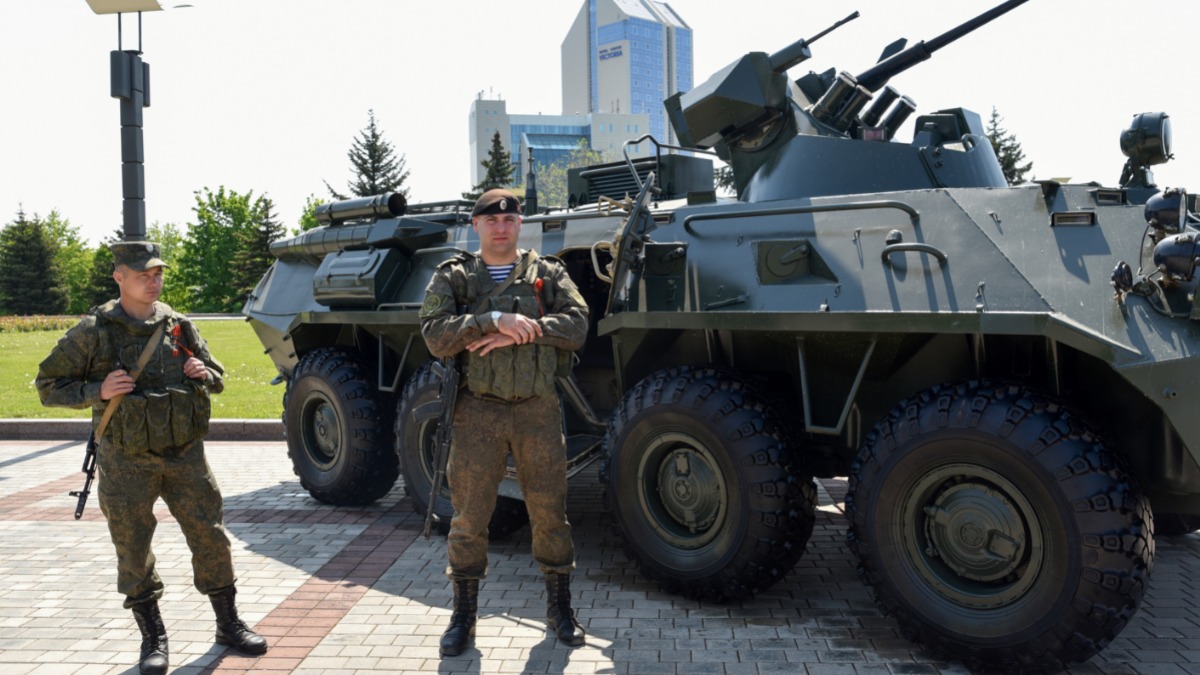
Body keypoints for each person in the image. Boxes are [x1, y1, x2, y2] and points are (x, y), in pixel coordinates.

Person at [35, 241, 267, 675]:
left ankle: (229, 624)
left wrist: (205, 373)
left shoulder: (178, 326)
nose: (153, 280)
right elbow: (47, 386)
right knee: (133, 547)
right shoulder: (94, 331)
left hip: (185, 457)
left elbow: (216, 376)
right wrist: (96, 391)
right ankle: (153, 638)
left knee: (211, 536)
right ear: (119, 276)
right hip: (126, 462)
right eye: (143, 273)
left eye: (157, 272)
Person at [419, 189, 590, 656]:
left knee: (550, 514)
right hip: (478, 412)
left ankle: (560, 609)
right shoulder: (455, 277)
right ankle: (463, 616)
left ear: (519, 224)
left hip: (537, 410)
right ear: (476, 225)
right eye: (491, 220)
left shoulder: (547, 273)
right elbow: (434, 336)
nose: (501, 227)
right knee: (470, 519)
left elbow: (577, 326)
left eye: (510, 219)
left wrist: (525, 329)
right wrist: (491, 318)